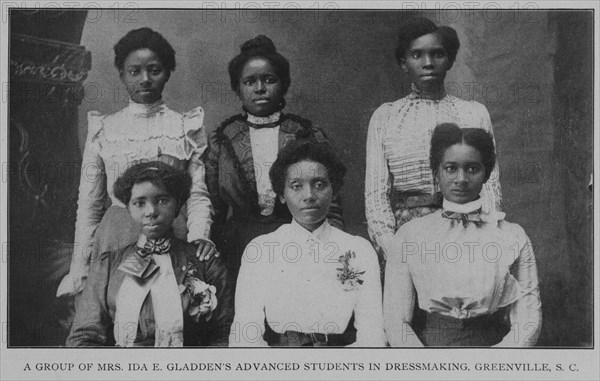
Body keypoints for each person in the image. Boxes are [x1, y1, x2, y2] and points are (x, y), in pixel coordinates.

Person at [58, 27, 215, 297]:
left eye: (154, 70)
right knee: (119, 311)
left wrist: (198, 237)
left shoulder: (185, 126)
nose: (145, 79)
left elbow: (198, 194)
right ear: (122, 75)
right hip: (117, 236)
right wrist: (80, 268)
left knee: (171, 312)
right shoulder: (104, 129)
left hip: (171, 232)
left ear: (167, 73)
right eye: (135, 71)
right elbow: (89, 204)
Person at [384, 123, 541, 347]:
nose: (461, 179)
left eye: (472, 168)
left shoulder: (513, 236)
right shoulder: (410, 236)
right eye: (451, 168)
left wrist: (493, 365)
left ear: (486, 173)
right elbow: (396, 321)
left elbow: (528, 320)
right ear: (436, 171)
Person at [205, 35, 343, 279]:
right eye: (249, 82)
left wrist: (332, 248)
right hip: (237, 245)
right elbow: (213, 209)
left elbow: (329, 202)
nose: (260, 89)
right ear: (238, 88)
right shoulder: (224, 139)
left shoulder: (305, 134)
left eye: (269, 80)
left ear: (283, 85)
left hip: (297, 239)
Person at [365, 17, 502, 261]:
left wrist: (486, 237)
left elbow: (490, 186)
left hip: (467, 230)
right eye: (417, 55)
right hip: (407, 236)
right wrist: (394, 249)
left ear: (449, 60)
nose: (428, 63)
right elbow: (376, 194)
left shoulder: (473, 112)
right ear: (403, 62)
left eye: (437, 54)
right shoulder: (386, 117)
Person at [229, 140, 385, 347]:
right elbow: (245, 336)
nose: (309, 195)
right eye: (296, 186)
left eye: (319, 184)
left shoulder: (358, 250)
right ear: (282, 195)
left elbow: (372, 335)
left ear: (334, 190)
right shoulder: (261, 250)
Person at [66, 161, 233, 346]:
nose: (151, 211)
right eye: (139, 203)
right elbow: (82, 338)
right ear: (128, 209)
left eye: (162, 200)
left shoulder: (205, 262)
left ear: (177, 205)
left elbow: (225, 335)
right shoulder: (108, 264)